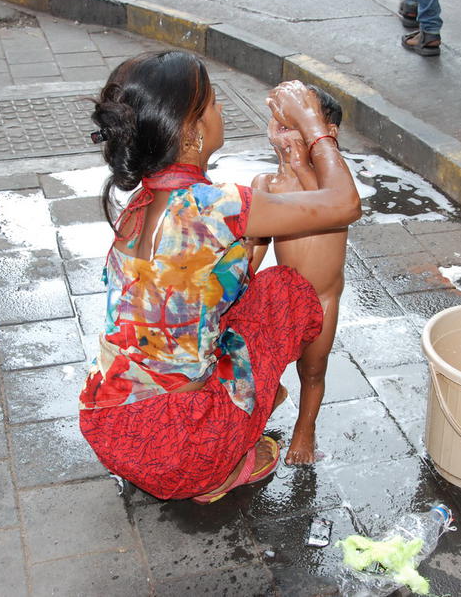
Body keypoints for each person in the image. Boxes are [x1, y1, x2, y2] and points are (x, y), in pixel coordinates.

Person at [78, 50, 361, 504]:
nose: (222, 110)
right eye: (213, 102)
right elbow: (345, 204)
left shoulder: (138, 203)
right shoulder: (215, 207)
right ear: (191, 131)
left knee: (236, 301)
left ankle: (220, 433)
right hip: (181, 448)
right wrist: (313, 127)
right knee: (285, 291)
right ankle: (221, 469)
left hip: (110, 425)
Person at [248, 86, 347, 466]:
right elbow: (253, 250)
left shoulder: (333, 183)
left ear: (328, 135)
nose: (284, 128)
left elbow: (326, 205)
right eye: (279, 120)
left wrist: (301, 164)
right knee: (260, 362)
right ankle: (269, 397)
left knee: (313, 368)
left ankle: (305, 429)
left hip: (323, 299)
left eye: (297, 120)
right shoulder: (266, 185)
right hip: (283, 298)